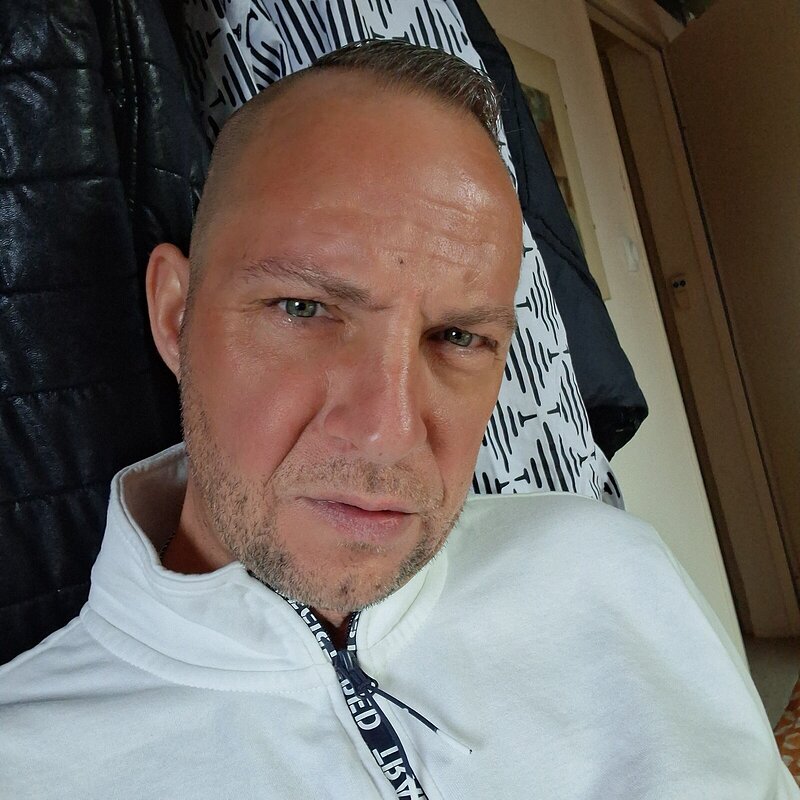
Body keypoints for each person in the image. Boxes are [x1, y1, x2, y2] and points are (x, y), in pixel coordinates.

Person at [0, 41, 795, 799]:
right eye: (303, 308)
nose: (389, 433)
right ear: (177, 317)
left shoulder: (615, 572)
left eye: (458, 337)